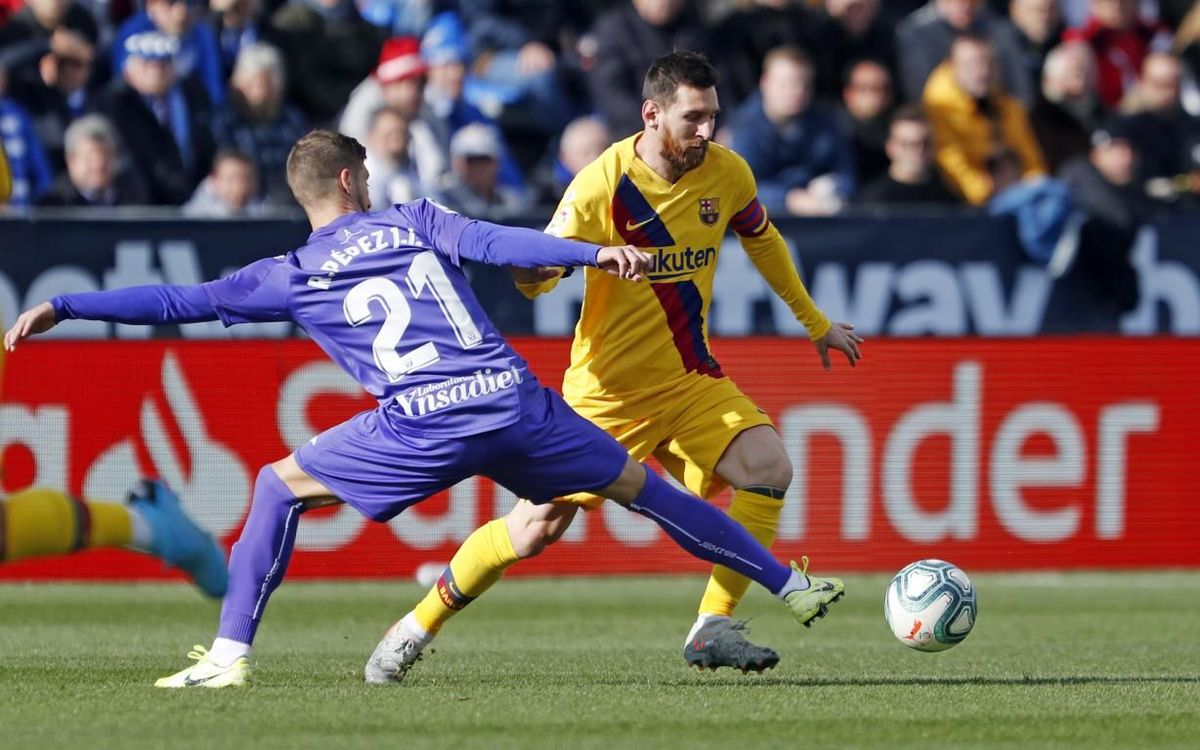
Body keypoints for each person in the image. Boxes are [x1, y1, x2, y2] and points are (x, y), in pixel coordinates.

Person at [4, 129, 850, 688]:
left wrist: (71, 306)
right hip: (512, 398)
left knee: (275, 486)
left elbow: (176, 300)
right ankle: (789, 584)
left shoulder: (290, 274)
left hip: (420, 422)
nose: (372, 183)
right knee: (648, 489)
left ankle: (229, 655)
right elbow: (497, 244)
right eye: (365, 174)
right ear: (349, 179)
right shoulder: (412, 219)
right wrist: (594, 254)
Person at [389, 50, 862, 679]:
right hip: (606, 396)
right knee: (534, 529)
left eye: (713, 116)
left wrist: (816, 323)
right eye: (693, 118)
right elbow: (538, 277)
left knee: (768, 467)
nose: (706, 131)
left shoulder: (728, 173)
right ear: (652, 114)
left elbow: (763, 239)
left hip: (689, 379)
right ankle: (415, 627)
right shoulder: (600, 184)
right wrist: (549, 264)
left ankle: (712, 625)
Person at [727, 46, 856, 217]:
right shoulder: (743, 127)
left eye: (804, 84)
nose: (797, 91)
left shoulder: (825, 124)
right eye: (786, 84)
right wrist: (790, 200)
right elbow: (739, 189)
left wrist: (835, 189)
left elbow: (847, 174)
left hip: (821, 219)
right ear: (765, 83)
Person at [923, 33, 1046, 205]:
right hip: (967, 200)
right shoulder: (940, 106)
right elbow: (950, 159)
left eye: (987, 63)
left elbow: (1027, 153)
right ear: (953, 67)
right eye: (971, 65)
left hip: (1012, 190)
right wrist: (985, 192)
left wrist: (1035, 184)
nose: (982, 72)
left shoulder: (1003, 102)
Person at [37, 113, 149, 206]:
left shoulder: (133, 199)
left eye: (106, 155)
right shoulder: (55, 205)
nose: (98, 164)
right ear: (71, 161)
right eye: (89, 157)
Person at [857, 105, 959, 206]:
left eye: (925, 143)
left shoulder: (948, 199)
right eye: (908, 144)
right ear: (891, 147)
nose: (919, 150)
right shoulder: (872, 202)